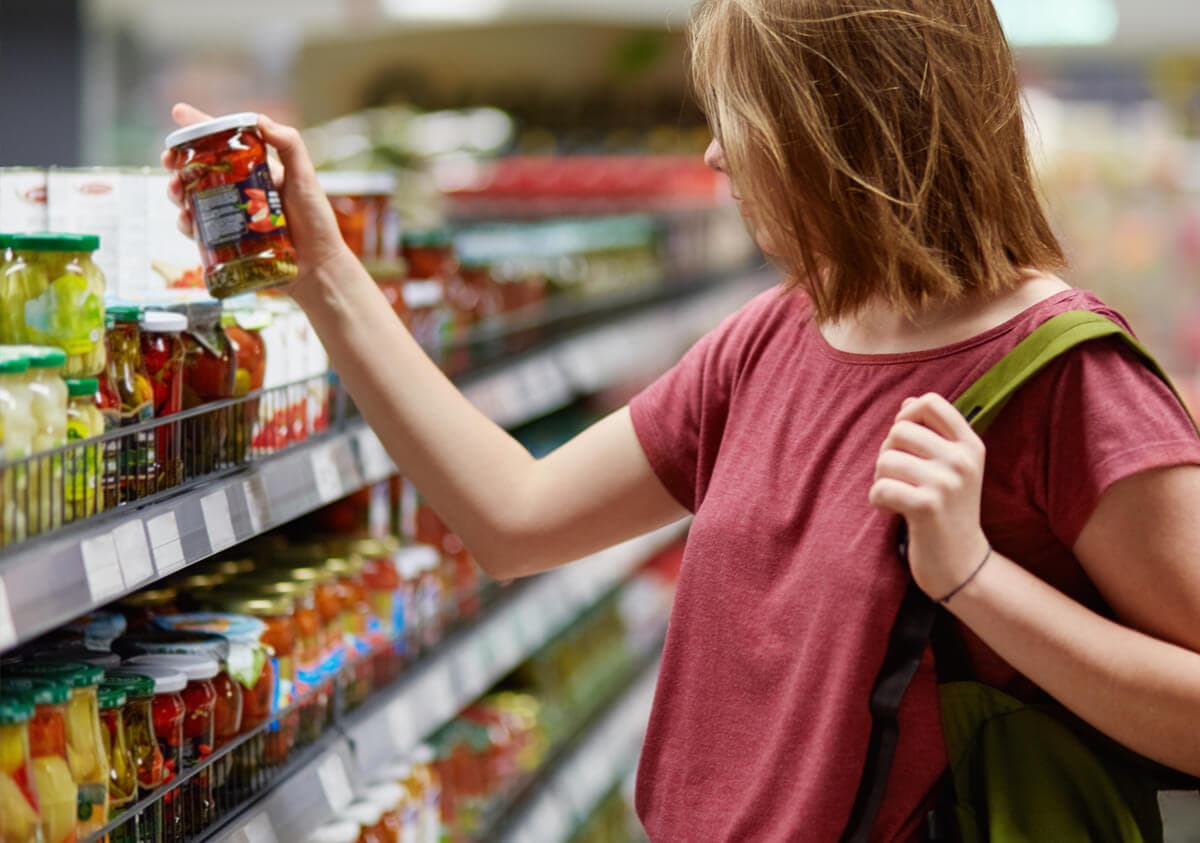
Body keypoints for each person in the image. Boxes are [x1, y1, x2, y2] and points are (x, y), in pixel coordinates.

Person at [164, 0, 1200, 839]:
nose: (711, 155)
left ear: (843, 123)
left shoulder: (1068, 380)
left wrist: (976, 580)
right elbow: (516, 518)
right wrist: (327, 276)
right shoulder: (774, 338)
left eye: (738, 116)